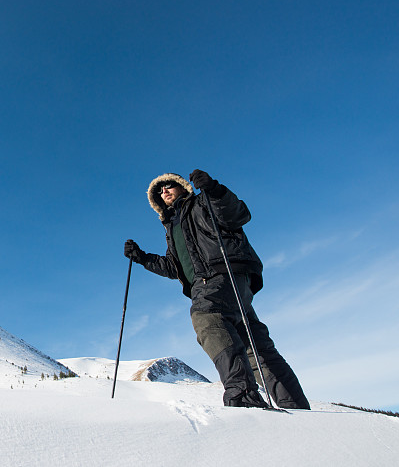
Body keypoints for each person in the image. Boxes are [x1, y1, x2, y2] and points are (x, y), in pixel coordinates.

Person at [124, 169, 310, 409]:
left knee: (207, 318)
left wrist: (213, 189)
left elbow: (238, 214)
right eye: (159, 190)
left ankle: (242, 395)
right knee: (255, 346)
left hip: (219, 275)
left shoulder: (203, 203)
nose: (164, 191)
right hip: (229, 284)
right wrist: (141, 257)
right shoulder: (173, 227)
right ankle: (295, 404)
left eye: (169, 185)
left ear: (182, 186)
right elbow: (173, 267)